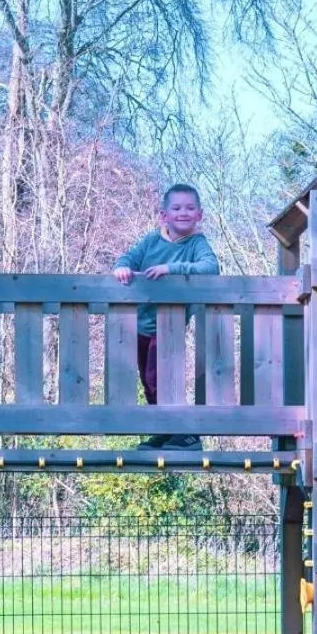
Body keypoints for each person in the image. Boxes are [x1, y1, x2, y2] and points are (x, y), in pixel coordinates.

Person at [112, 183, 219, 450]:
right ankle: (164, 429)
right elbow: (128, 257)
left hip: (169, 324)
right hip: (141, 323)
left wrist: (171, 268)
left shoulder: (197, 243)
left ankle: (185, 434)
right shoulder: (151, 240)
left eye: (190, 208)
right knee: (147, 382)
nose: (183, 212)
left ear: (200, 215)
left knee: (159, 377)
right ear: (164, 215)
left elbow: (210, 268)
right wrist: (123, 267)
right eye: (177, 208)